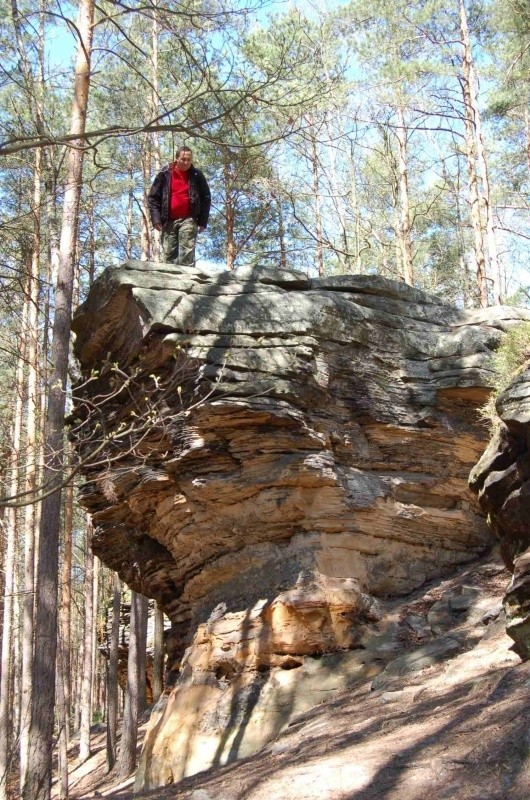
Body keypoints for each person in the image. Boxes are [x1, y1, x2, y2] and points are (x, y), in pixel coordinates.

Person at [148, 146, 211, 266]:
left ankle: (188, 282)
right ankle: (169, 283)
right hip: (168, 220)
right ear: (176, 158)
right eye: (183, 159)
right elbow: (153, 197)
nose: (186, 162)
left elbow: (206, 198)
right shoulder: (164, 174)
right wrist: (156, 219)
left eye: (189, 159)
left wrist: (202, 221)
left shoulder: (197, 175)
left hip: (189, 218)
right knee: (168, 255)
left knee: (187, 252)